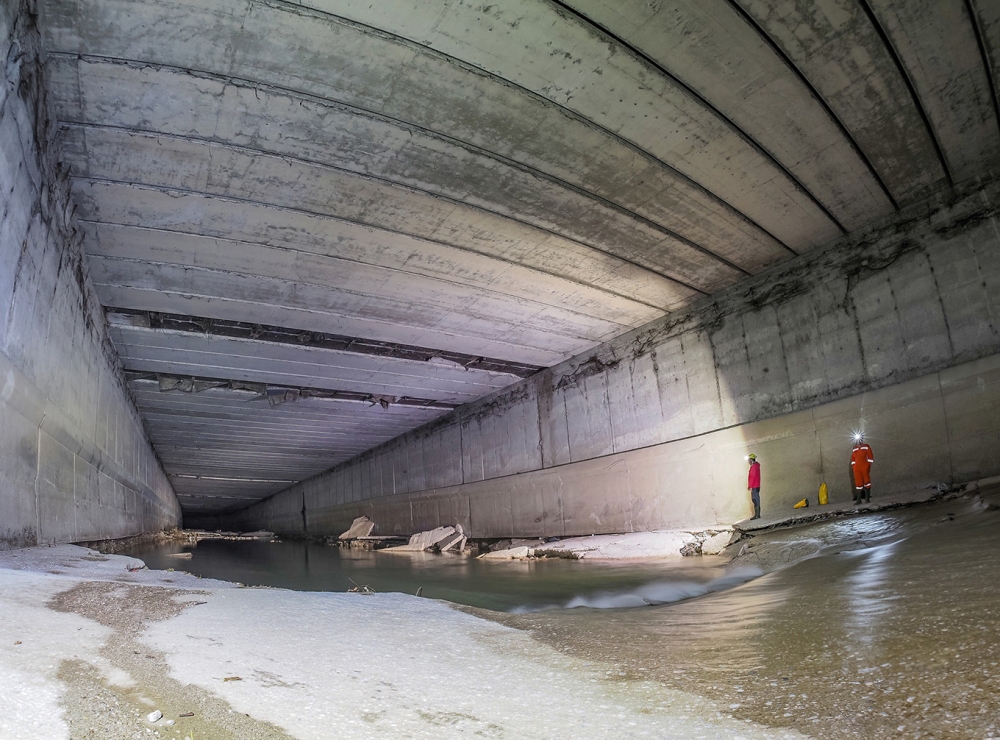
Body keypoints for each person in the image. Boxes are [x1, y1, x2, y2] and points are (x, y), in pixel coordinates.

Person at [850, 434, 874, 503]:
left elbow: (870, 457)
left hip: (864, 467)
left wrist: (867, 466)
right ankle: (859, 500)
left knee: (867, 481)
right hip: (857, 469)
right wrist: (854, 467)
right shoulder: (855, 448)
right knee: (858, 483)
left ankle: (867, 498)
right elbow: (853, 459)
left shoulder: (866, 447)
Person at [747, 453, 761, 520]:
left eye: (749, 460)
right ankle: (757, 514)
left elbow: (752, 477)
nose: (748, 462)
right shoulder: (756, 466)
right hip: (756, 485)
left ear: (751, 460)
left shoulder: (754, 467)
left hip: (754, 485)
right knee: (755, 499)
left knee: (755, 499)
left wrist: (750, 486)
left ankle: (757, 515)